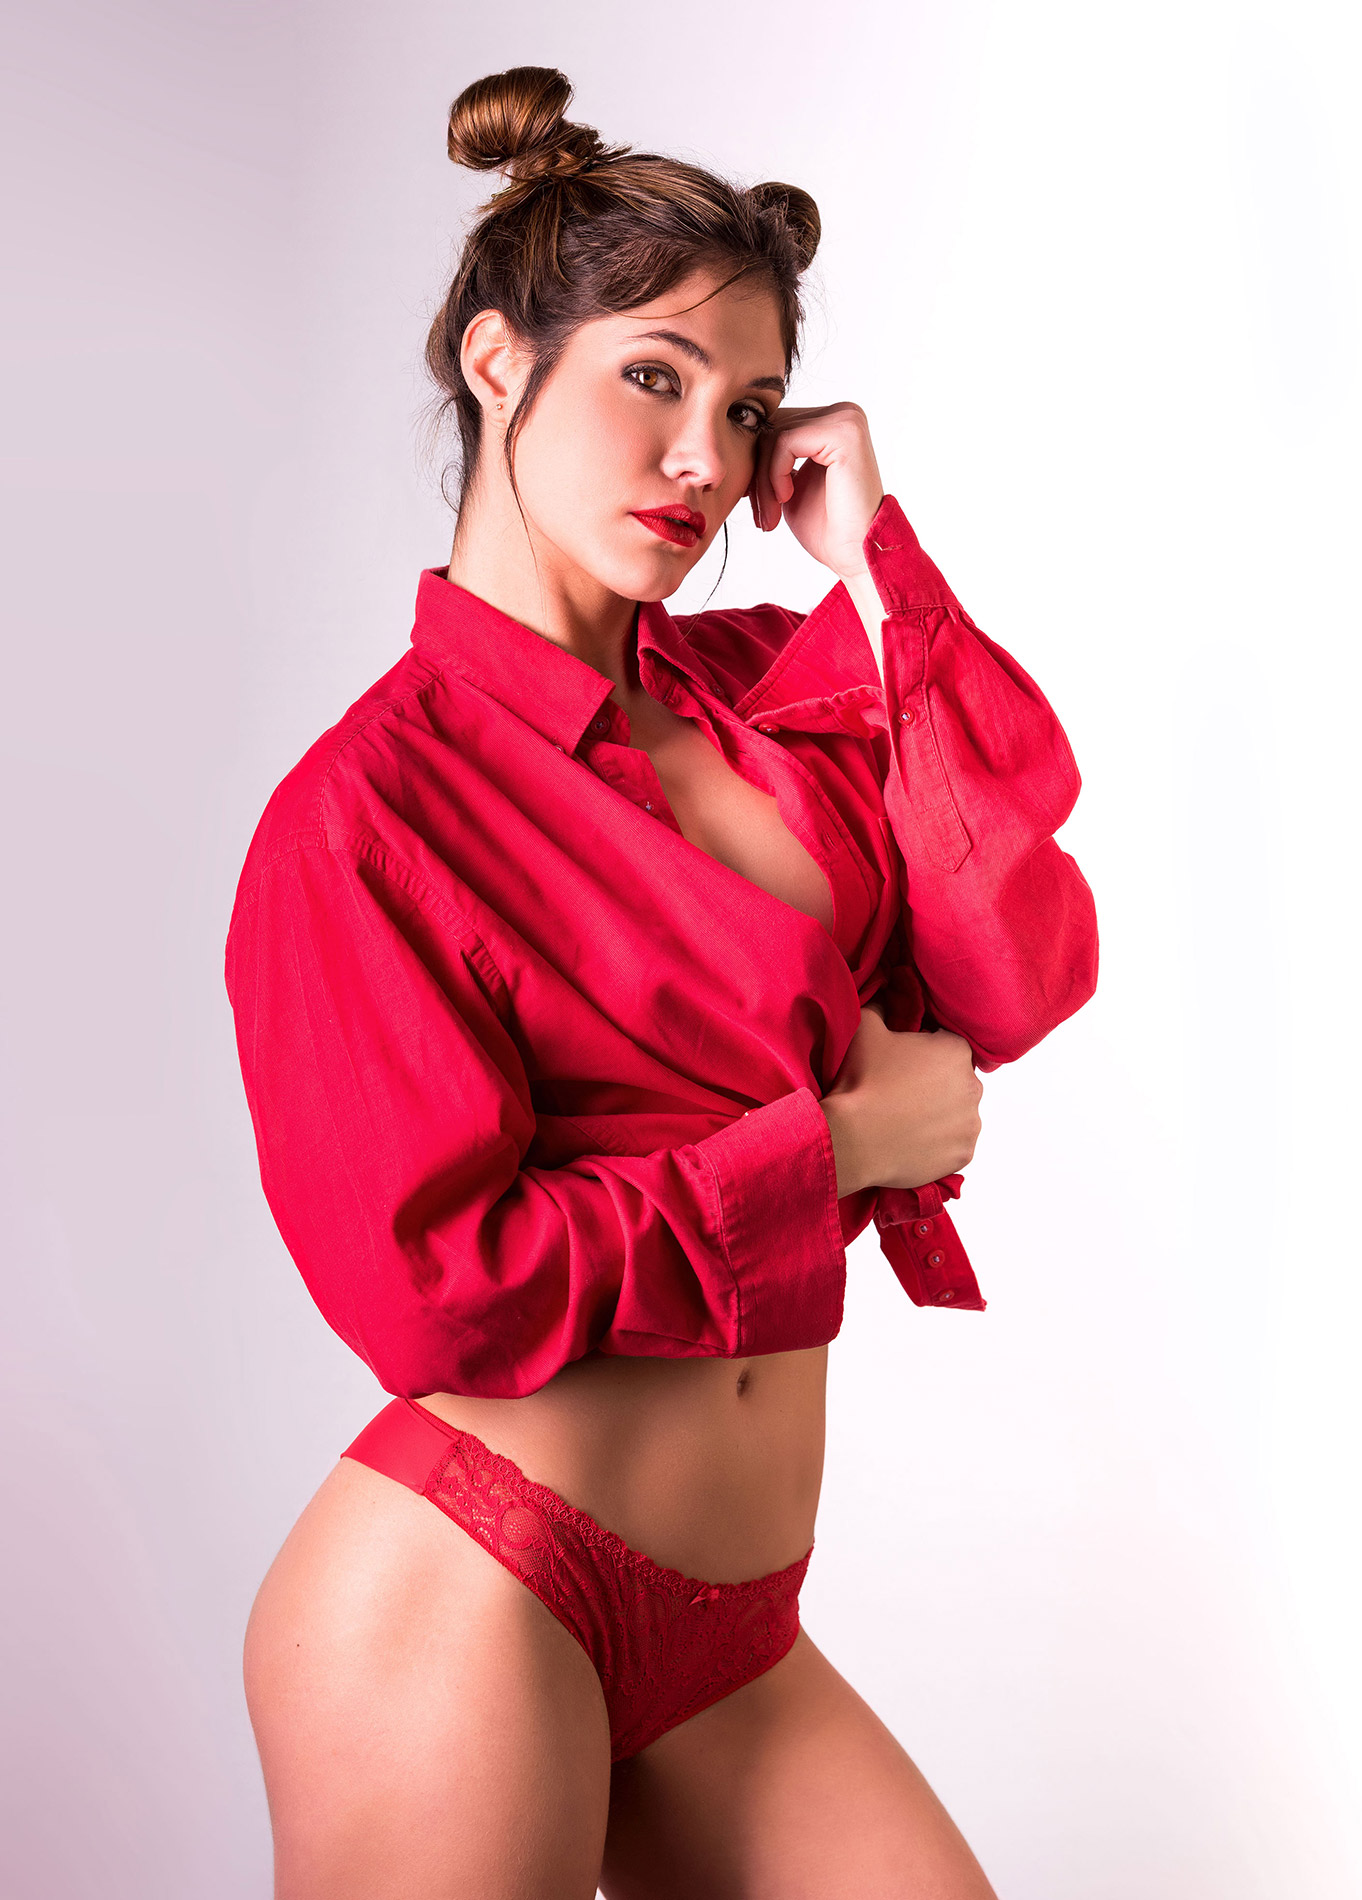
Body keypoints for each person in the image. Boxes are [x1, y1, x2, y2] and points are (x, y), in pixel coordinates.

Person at [225, 63, 1098, 1900]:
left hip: (737, 1637)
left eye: (747, 406)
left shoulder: (774, 695)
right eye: (652, 378)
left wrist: (877, 572)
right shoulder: (366, 816)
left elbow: (1011, 966)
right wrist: (833, 1153)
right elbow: (436, 1292)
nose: (704, 458)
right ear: (497, 364)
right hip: (472, 1589)